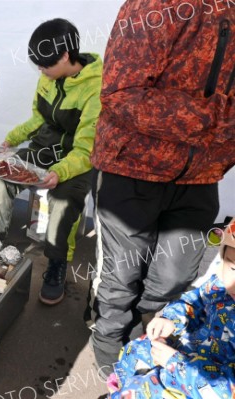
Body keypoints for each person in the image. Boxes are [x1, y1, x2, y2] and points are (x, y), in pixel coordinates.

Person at [87, 0, 234, 375]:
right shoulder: (160, 6)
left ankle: (144, 347)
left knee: (174, 278)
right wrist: (210, 121)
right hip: (131, 166)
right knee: (121, 277)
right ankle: (108, 353)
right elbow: (121, 92)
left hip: (201, 174)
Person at [0, 18, 102, 305]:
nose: (40, 70)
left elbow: (87, 148)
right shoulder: (47, 76)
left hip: (77, 159)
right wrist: (12, 138)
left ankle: (57, 263)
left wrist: (60, 172)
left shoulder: (96, 87)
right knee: (1, 176)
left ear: (64, 56)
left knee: (64, 199)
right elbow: (39, 118)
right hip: (43, 149)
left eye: (44, 65)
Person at [105, 219, 235, 399]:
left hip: (199, 383)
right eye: (233, 267)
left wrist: (176, 364)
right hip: (189, 348)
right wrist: (172, 320)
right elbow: (194, 302)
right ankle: (124, 387)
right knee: (136, 350)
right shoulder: (220, 286)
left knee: (153, 390)